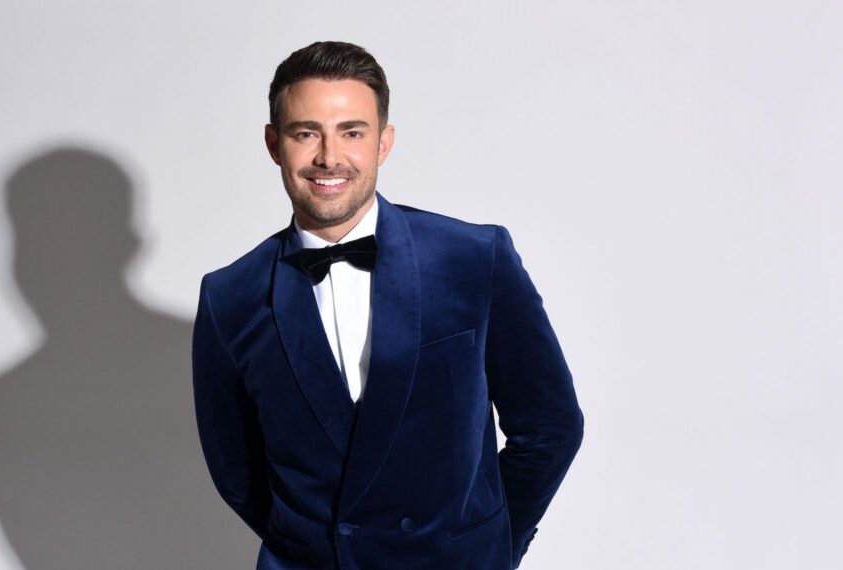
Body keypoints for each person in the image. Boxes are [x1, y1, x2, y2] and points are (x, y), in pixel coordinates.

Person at [192, 41, 584, 570]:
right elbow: (237, 475)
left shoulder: (473, 259)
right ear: (273, 144)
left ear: (383, 143)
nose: (329, 157)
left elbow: (550, 426)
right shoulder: (229, 297)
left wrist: (486, 548)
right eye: (306, 133)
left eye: (352, 132)